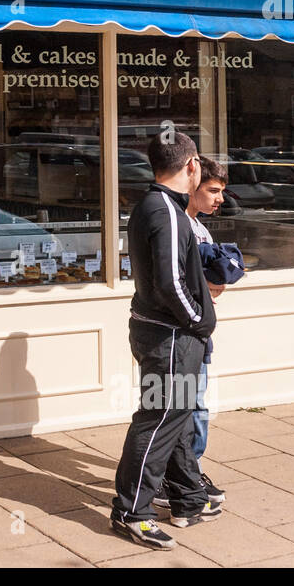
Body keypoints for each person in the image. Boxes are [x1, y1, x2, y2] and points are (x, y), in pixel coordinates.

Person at [110, 132, 220, 550]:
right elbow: (171, 283)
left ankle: (187, 497)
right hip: (171, 335)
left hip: (164, 332)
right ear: (191, 166)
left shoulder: (153, 206)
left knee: (175, 414)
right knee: (158, 418)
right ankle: (129, 511)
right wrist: (199, 322)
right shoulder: (167, 212)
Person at [154, 155, 230, 510]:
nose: (219, 198)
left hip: (199, 329)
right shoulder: (176, 223)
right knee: (184, 407)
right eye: (212, 190)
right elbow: (176, 282)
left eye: (221, 192)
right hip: (181, 331)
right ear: (192, 186)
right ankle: (180, 476)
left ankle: (186, 472)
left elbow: (210, 282)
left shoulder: (201, 228)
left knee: (196, 405)